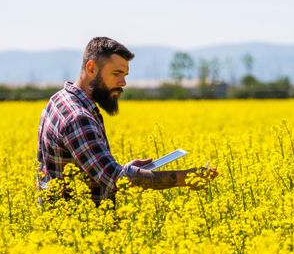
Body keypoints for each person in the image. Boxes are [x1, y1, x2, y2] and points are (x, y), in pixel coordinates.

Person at [37, 37, 217, 204]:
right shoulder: (78, 117)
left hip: (63, 223)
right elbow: (117, 180)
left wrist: (126, 168)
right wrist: (185, 178)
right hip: (75, 229)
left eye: (125, 75)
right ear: (91, 68)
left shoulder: (59, 100)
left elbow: (97, 169)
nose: (123, 82)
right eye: (116, 73)